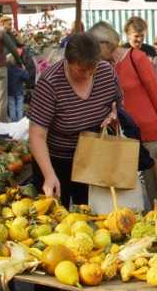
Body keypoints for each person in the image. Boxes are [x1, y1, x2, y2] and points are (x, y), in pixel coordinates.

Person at [28, 33, 122, 207]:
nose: (88, 74)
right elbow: (36, 136)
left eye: (92, 68)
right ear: (68, 61)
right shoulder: (50, 82)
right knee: (55, 214)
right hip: (55, 159)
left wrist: (114, 116)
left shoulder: (106, 72)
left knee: (92, 212)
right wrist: (49, 175)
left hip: (93, 157)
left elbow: (117, 105)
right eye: (81, 70)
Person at [87, 21, 157, 211]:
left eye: (94, 46)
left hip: (148, 132)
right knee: (127, 193)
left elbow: (155, 93)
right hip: (122, 136)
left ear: (105, 43)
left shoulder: (136, 57)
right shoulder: (100, 66)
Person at [6, 55, 29, 121]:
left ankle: (13, 122)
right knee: (20, 107)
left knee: (12, 107)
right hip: (19, 91)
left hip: (10, 92)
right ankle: (20, 121)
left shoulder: (6, 71)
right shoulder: (20, 70)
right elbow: (27, 77)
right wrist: (24, 69)